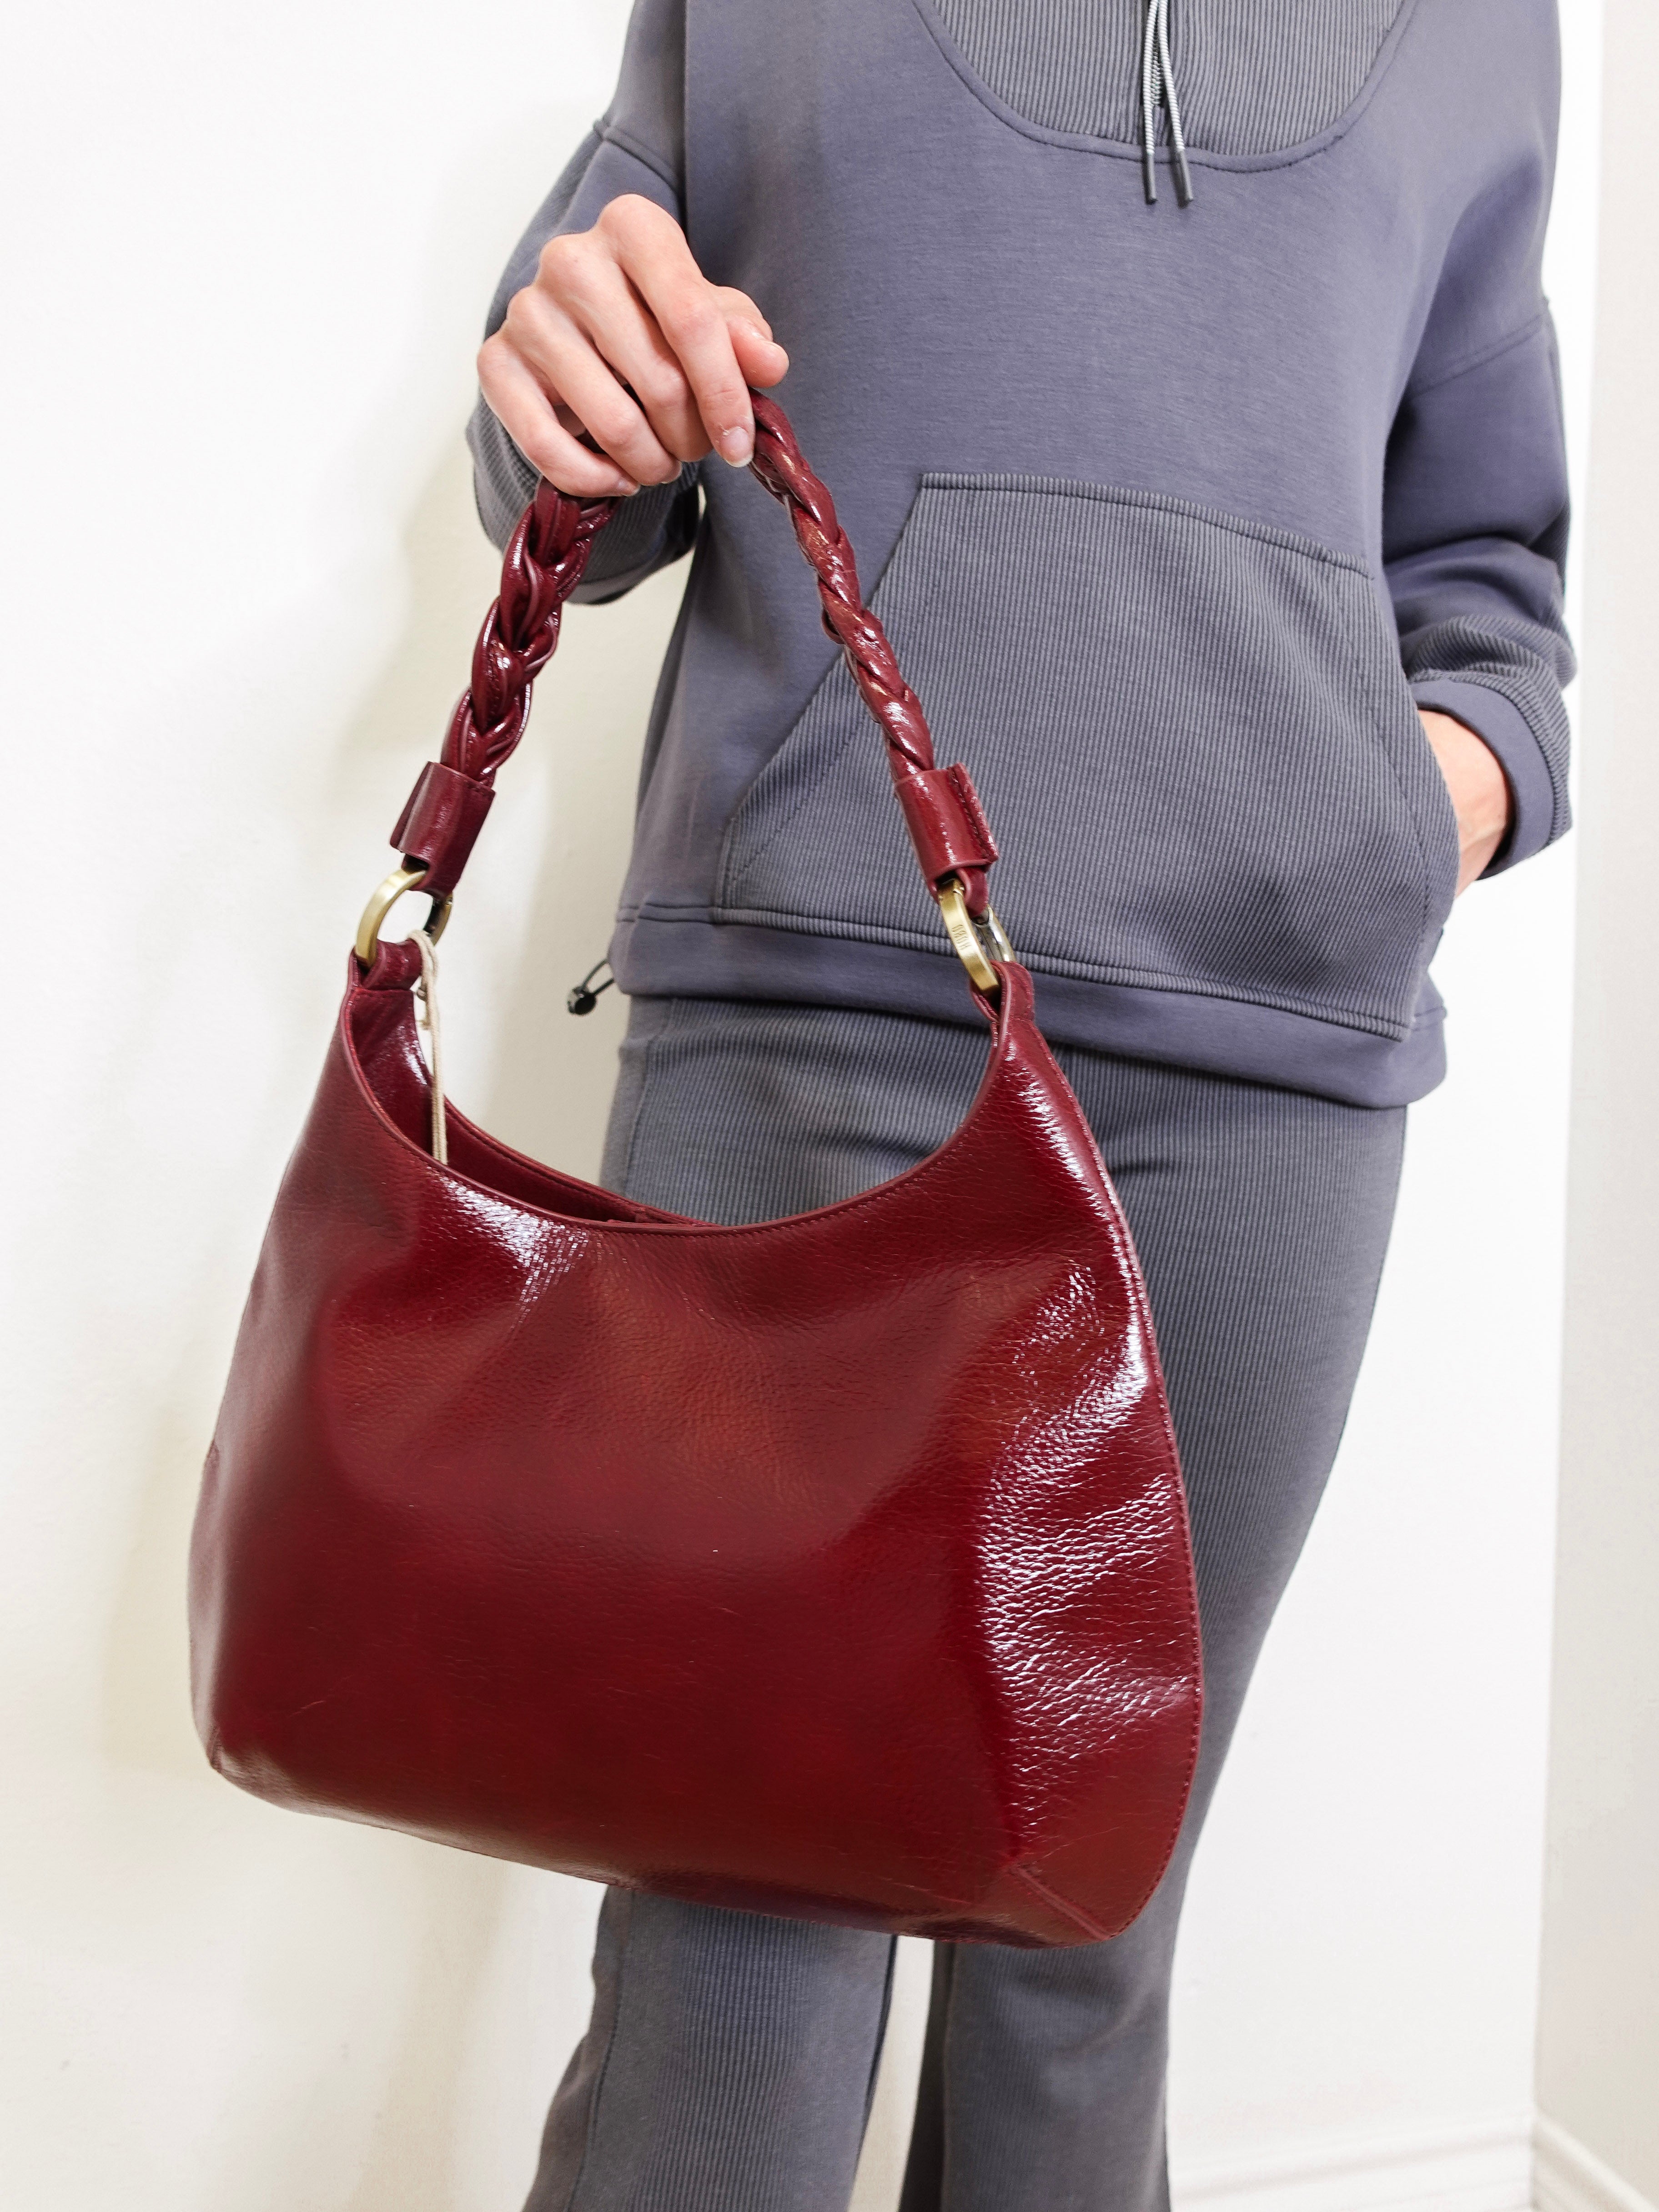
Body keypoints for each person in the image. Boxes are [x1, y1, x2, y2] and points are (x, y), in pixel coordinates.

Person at [468, 1, 1573, 2205]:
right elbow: (584, 493)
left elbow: (1491, 597)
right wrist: (574, 386)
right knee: (732, 1949)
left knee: (1087, 1936)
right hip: (804, 1014)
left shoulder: (1489, 26)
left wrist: (1415, 802)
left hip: (1267, 1072)